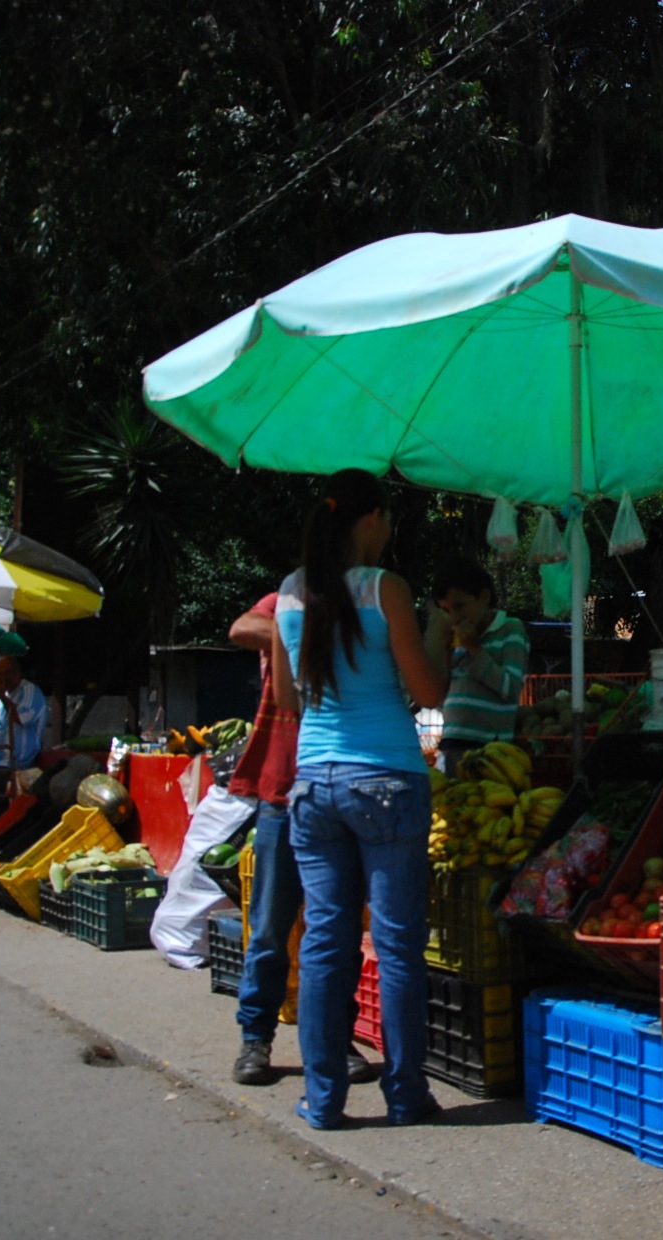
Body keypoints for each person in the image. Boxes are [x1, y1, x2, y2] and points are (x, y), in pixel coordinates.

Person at [271, 469, 450, 1130]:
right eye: (390, 518)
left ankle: (323, 1100)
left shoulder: (289, 594)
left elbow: (289, 701)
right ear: (371, 520)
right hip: (387, 781)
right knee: (398, 946)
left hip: (314, 784)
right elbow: (428, 691)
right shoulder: (388, 590)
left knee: (325, 942)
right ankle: (405, 1096)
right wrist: (437, 635)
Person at [229, 590, 377, 1086]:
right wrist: (292, 634)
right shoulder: (289, 598)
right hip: (282, 792)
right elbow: (240, 628)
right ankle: (256, 1038)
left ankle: (336, 1036)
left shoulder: (363, 603)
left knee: (334, 930)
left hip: (340, 788)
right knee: (271, 925)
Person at [426, 557, 529, 776]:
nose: (454, 617)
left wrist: (475, 649)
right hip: (451, 741)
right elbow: (442, 694)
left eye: (460, 606)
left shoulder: (511, 630)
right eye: (446, 610)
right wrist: (444, 651)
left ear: (483, 597)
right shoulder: (456, 640)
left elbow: (510, 688)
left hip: (489, 749)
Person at [0, 655, 47, 816]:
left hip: (14, 764)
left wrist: (3, 698)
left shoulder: (29, 691)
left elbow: (20, 718)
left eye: (7, 673)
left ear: (18, 672)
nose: (3, 678)